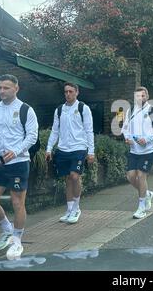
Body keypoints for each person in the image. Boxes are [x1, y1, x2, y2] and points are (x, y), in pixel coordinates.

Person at [0, 74, 38, 260]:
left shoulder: (25, 110)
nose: (2, 91)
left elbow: (32, 136)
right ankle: (6, 229)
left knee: (17, 203)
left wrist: (15, 151)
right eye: (0, 88)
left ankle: (17, 241)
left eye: (6, 88)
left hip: (18, 163)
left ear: (16, 88)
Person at [46, 82, 95, 224]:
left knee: (74, 176)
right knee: (67, 179)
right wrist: (49, 148)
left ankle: (76, 208)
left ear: (77, 92)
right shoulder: (59, 110)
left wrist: (91, 151)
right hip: (63, 149)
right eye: (66, 92)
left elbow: (89, 130)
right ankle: (69, 210)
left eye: (71, 91)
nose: (68, 94)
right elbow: (55, 131)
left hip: (79, 147)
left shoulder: (83, 108)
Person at [121, 86, 153, 219]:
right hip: (134, 150)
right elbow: (124, 128)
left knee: (141, 176)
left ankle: (141, 207)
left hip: (147, 150)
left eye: (143, 95)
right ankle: (147, 194)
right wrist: (127, 138)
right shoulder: (130, 111)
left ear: (147, 96)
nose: (140, 98)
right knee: (130, 176)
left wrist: (147, 139)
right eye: (138, 96)